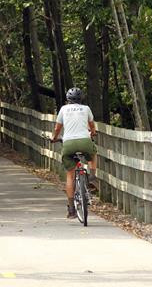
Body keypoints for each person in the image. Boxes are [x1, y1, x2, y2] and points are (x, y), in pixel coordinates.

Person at [50, 87, 97, 219]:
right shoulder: (86, 108)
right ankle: (92, 177)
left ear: (68, 99)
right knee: (93, 154)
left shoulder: (63, 109)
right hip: (84, 141)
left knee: (70, 176)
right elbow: (92, 126)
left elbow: (57, 128)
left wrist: (54, 138)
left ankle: (71, 209)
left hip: (68, 143)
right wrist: (92, 133)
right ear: (81, 98)